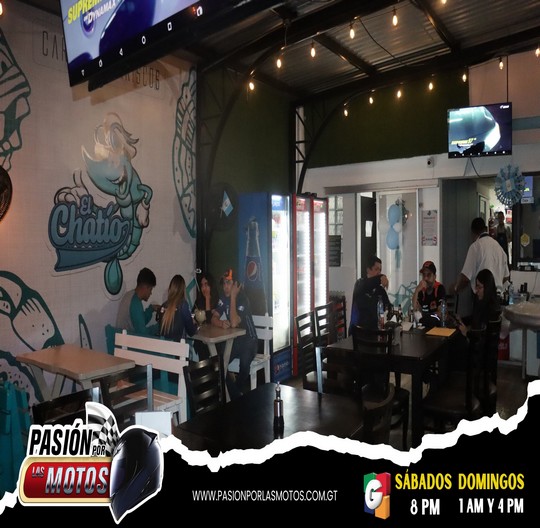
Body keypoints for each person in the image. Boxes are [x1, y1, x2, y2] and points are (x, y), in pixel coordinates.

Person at [211, 268, 258, 399]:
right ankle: (236, 396)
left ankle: (233, 395)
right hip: (235, 340)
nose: (225, 286)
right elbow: (213, 317)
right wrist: (220, 323)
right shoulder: (223, 298)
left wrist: (233, 296)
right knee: (219, 362)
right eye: (224, 283)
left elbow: (234, 323)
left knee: (244, 363)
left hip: (250, 340)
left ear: (236, 285)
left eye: (229, 283)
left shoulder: (242, 299)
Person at [453, 217, 510, 296]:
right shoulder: (499, 247)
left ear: (473, 232)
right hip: (497, 296)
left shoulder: (475, 247)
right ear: (485, 229)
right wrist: (495, 286)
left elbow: (465, 278)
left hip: (482, 296)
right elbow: (506, 277)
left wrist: (455, 288)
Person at [349, 255, 390, 332]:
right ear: (368, 270)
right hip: (359, 331)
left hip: (376, 330)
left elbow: (387, 306)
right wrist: (381, 277)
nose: (379, 272)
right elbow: (368, 284)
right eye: (376, 269)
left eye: (380, 270)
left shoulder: (379, 289)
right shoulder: (360, 284)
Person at [116, 267, 160, 335]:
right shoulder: (135, 303)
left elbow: (139, 322)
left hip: (121, 339)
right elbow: (143, 333)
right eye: (150, 289)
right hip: (126, 340)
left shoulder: (130, 295)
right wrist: (160, 326)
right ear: (145, 287)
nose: (151, 293)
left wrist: (151, 309)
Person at [159, 274, 198, 342]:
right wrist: (195, 324)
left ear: (170, 289)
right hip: (179, 347)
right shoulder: (183, 306)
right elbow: (191, 332)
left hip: (164, 347)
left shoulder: (163, 306)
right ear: (183, 290)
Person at [192, 271, 219, 360]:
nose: (204, 288)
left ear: (211, 285)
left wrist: (207, 299)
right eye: (202, 285)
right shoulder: (199, 301)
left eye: (206, 284)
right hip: (201, 338)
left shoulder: (217, 301)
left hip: (216, 338)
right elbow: (192, 315)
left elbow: (209, 321)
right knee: (201, 346)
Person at [412, 261, 447, 326]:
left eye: (429, 275)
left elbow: (441, 314)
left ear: (434, 276)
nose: (426, 278)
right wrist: (416, 291)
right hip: (424, 325)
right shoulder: (421, 290)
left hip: (437, 326)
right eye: (424, 275)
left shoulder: (439, 288)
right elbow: (415, 309)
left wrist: (424, 316)